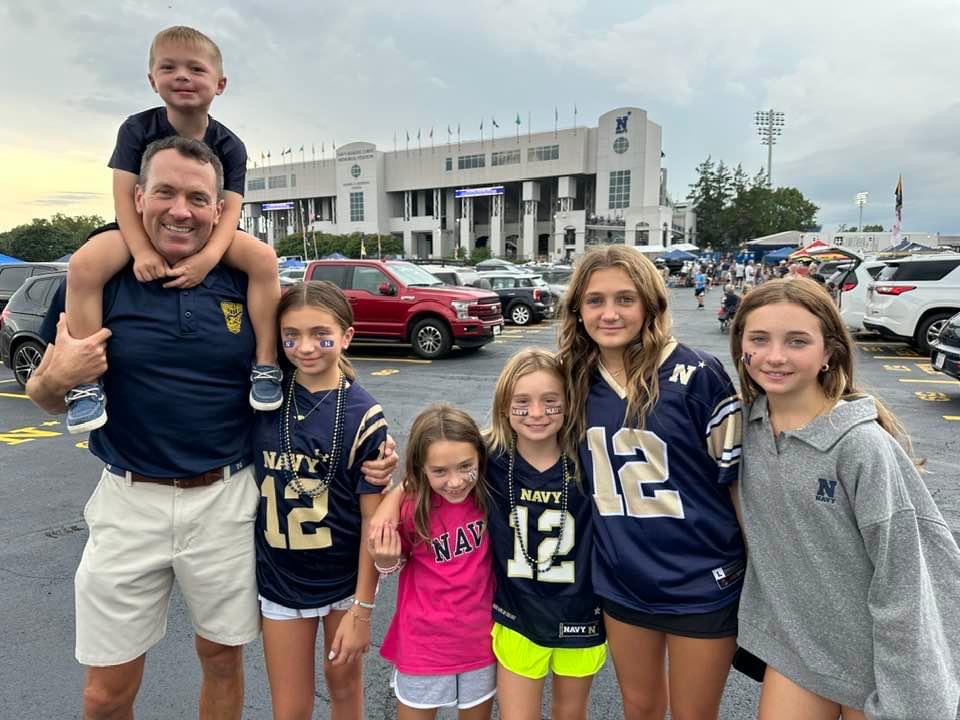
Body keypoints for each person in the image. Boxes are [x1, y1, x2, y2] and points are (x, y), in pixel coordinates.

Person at [27, 136, 262, 720]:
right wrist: (50, 382)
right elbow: (48, 395)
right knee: (103, 696)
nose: (180, 209)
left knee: (223, 661)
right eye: (165, 192)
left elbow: (308, 363)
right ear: (137, 198)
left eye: (197, 197)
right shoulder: (101, 277)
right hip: (128, 501)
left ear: (218, 208)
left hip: (225, 499)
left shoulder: (244, 280)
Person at [729, 277, 960, 720]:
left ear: (829, 351)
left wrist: (908, 695)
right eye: (760, 339)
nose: (775, 356)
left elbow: (905, 584)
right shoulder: (741, 430)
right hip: (800, 652)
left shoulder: (861, 447)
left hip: (881, 664)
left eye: (797, 341)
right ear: (742, 345)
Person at [62, 25, 281, 435]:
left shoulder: (230, 146)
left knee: (264, 258)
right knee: (85, 264)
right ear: (152, 80)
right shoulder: (135, 129)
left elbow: (229, 210)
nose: (182, 76)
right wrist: (142, 251)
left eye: (195, 68)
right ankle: (86, 384)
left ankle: (265, 366)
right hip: (137, 226)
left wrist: (207, 259)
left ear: (220, 84)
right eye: (169, 67)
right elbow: (126, 197)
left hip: (212, 232)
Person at [556, 245, 744, 720]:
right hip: (624, 580)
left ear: (650, 304)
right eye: (595, 300)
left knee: (693, 713)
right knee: (639, 708)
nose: (610, 313)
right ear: (577, 309)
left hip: (701, 581)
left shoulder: (698, 374)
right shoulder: (572, 379)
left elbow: (739, 484)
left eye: (625, 298)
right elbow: (508, 440)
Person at [255, 280, 388, 720]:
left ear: (347, 336)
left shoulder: (361, 414)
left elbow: (373, 521)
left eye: (320, 334)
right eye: (291, 336)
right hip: (280, 578)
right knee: (290, 707)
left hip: (341, 583)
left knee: (344, 690)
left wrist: (363, 610)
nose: (305, 347)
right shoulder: (264, 399)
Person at [485, 349, 606, 720]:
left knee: (570, 713)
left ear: (569, 404)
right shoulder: (486, 456)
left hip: (579, 612)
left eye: (550, 401)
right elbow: (425, 471)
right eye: (522, 402)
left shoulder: (591, 459)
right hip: (517, 614)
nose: (536, 413)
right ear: (504, 406)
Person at [371, 405, 497, 720]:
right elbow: (392, 562)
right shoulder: (412, 507)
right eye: (439, 471)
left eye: (465, 466)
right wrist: (385, 561)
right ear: (421, 469)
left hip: (481, 643)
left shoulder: (490, 493)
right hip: (423, 645)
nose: (454, 482)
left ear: (480, 457)